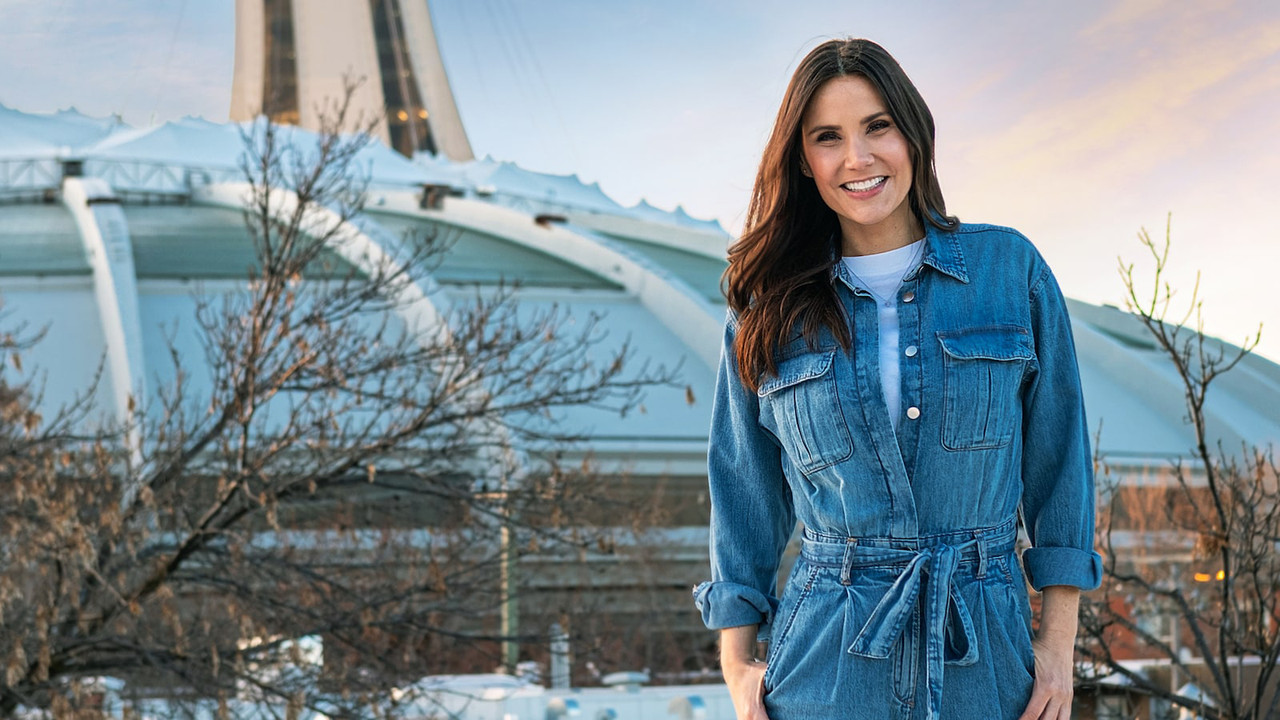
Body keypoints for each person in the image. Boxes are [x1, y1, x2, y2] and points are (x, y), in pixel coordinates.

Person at [692, 38, 1101, 720]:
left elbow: (1060, 464)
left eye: (877, 126)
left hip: (988, 656)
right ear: (804, 161)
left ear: (913, 131)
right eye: (828, 137)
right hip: (826, 660)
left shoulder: (1009, 271)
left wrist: (1057, 651)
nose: (858, 158)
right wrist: (738, 668)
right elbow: (742, 490)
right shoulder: (766, 310)